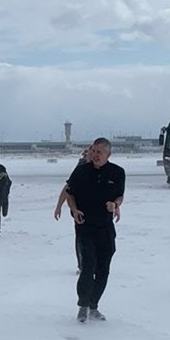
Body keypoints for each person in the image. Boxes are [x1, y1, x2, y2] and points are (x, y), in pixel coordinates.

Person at [61, 138, 124, 323]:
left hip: (105, 227)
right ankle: (83, 304)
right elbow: (69, 194)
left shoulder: (117, 172)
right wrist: (73, 209)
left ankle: (93, 305)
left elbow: (120, 196)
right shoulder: (81, 171)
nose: (96, 155)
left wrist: (115, 204)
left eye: (100, 152)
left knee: (103, 269)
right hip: (84, 226)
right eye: (94, 151)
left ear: (108, 155)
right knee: (88, 265)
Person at [54, 146, 94, 270]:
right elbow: (68, 188)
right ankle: (82, 265)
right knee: (81, 237)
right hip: (80, 208)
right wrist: (59, 206)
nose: (93, 155)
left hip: (97, 209)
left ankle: (93, 263)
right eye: (90, 153)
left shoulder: (103, 168)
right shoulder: (80, 169)